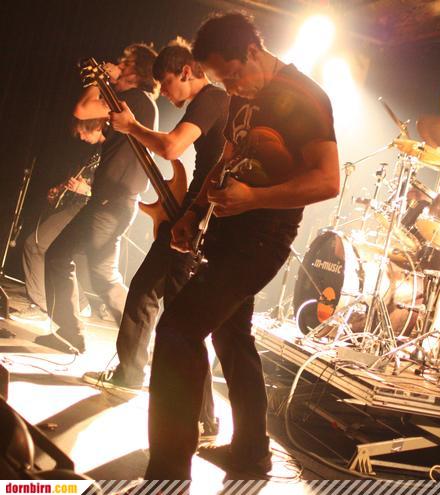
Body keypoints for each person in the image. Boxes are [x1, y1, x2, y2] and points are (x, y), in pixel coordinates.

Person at [143, 12, 340, 480]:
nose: (231, 88)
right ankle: (252, 453)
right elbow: (226, 158)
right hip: (228, 233)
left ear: (252, 51)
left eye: (232, 76)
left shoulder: (305, 96)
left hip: (262, 240)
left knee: (177, 331)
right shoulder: (240, 97)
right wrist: (193, 214)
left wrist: (255, 198)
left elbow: (328, 180)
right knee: (232, 339)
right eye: (221, 82)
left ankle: (167, 476)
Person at [82, 38, 229, 440]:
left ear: (186, 71)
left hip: (200, 219)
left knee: (183, 318)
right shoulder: (207, 102)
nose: (163, 93)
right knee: (144, 290)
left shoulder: (212, 98)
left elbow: (172, 147)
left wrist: (132, 126)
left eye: (166, 83)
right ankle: (130, 375)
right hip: (189, 213)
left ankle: (204, 418)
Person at [34, 43, 159, 354]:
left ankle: (88, 336)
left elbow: (83, 109)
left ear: (136, 70)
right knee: (96, 274)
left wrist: (98, 78)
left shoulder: (134, 100)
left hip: (110, 202)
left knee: (73, 263)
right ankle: (135, 344)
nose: (118, 66)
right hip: (113, 201)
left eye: (124, 63)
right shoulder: (138, 103)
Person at [13, 118, 105, 322]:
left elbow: (109, 191)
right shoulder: (96, 153)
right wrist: (62, 188)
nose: (81, 137)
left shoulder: (113, 151)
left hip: (88, 210)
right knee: (58, 254)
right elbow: (85, 180)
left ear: (97, 126)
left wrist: (85, 190)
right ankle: (80, 303)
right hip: (77, 206)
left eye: (84, 131)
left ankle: (42, 306)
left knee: (35, 245)